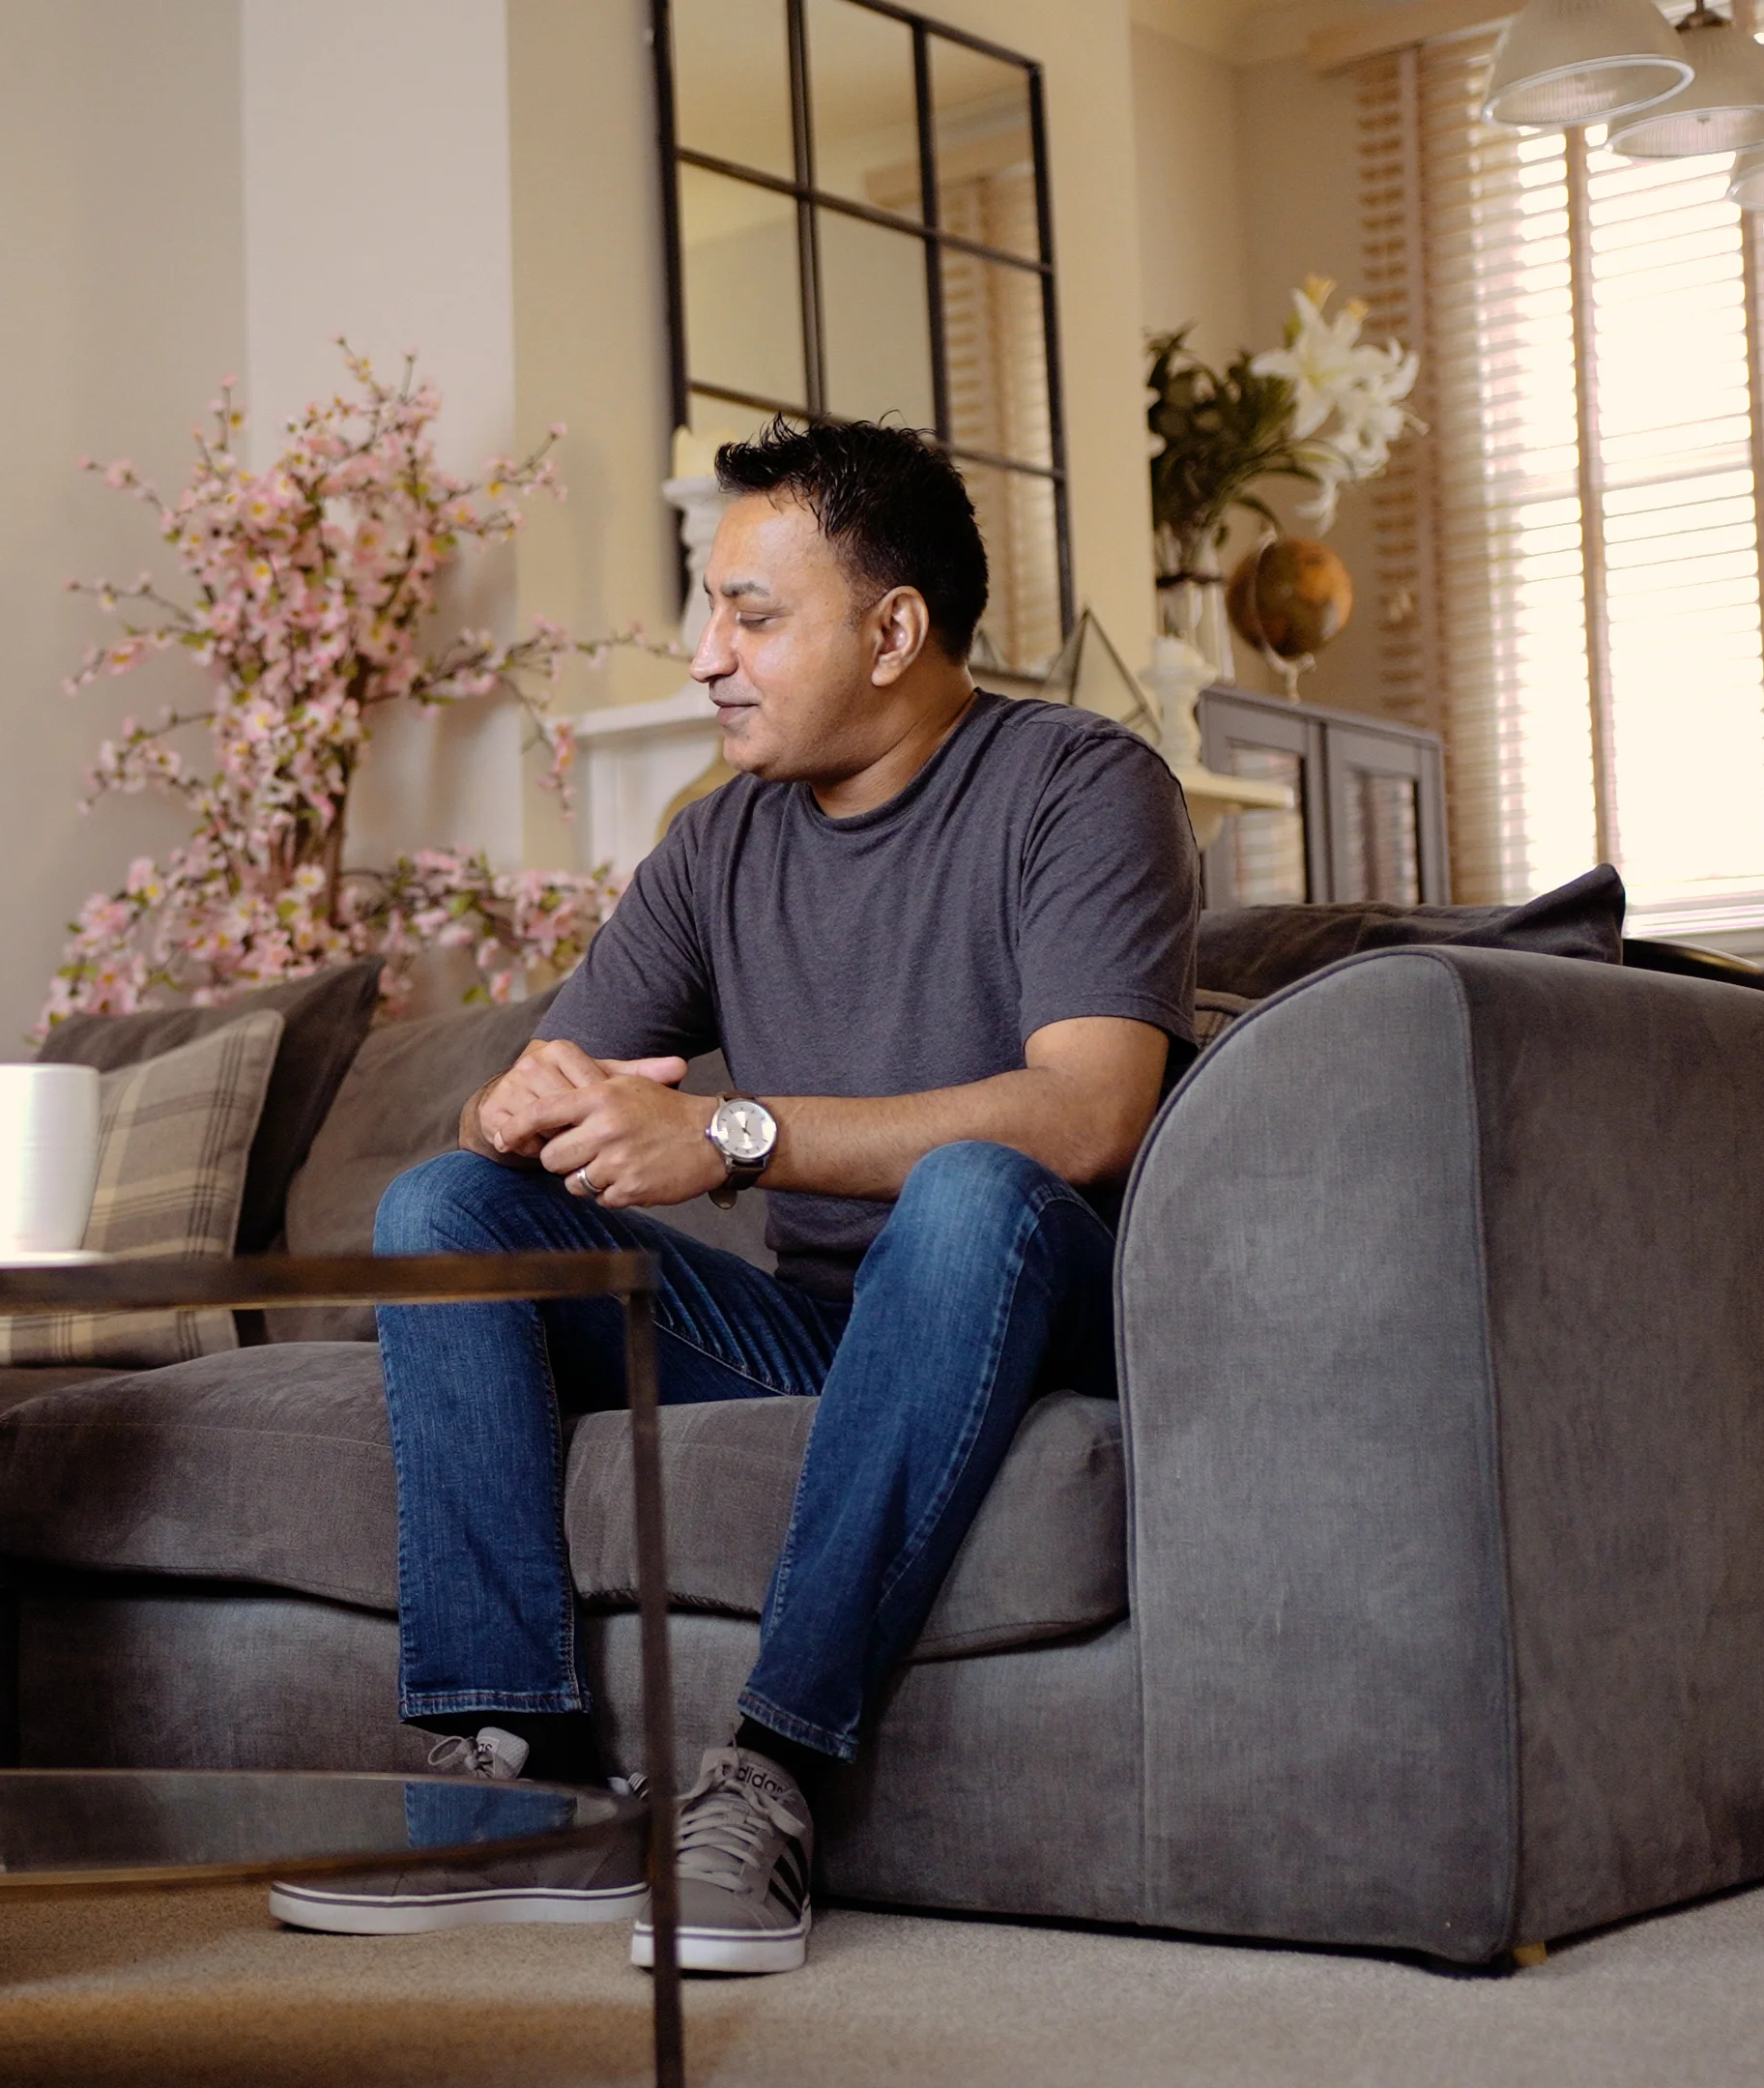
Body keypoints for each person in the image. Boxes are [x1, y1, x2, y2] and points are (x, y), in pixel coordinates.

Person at [266, 422, 1197, 1973]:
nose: (709, 657)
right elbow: (549, 1082)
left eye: (753, 615)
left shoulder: (1079, 785)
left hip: (1017, 1307)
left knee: (970, 1191)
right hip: (816, 1328)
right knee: (445, 1210)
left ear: (894, 630)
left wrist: (733, 1133)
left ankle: (775, 1773)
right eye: (711, 610)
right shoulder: (719, 841)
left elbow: (1094, 1112)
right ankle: (521, 1781)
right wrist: (512, 1108)